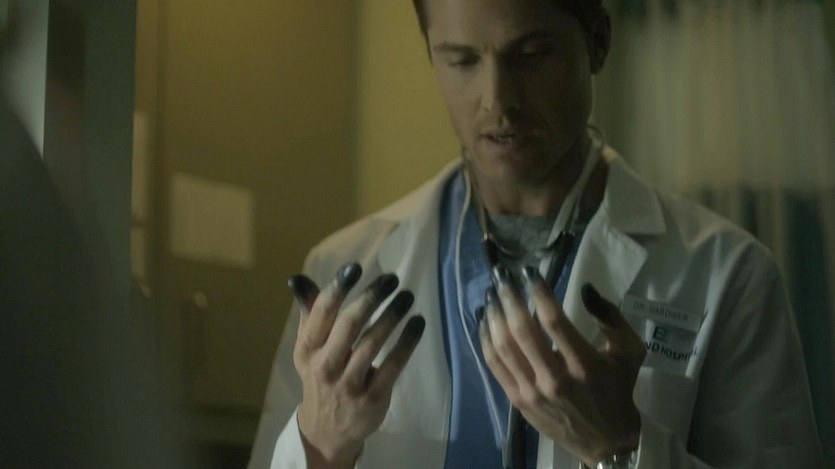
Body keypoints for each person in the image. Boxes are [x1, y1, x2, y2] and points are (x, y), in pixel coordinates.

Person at [249, 0, 824, 467]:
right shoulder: (342, 269)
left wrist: (620, 448)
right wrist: (320, 447)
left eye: (530, 56)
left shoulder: (727, 272)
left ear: (598, 42)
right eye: (461, 60)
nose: (498, 100)